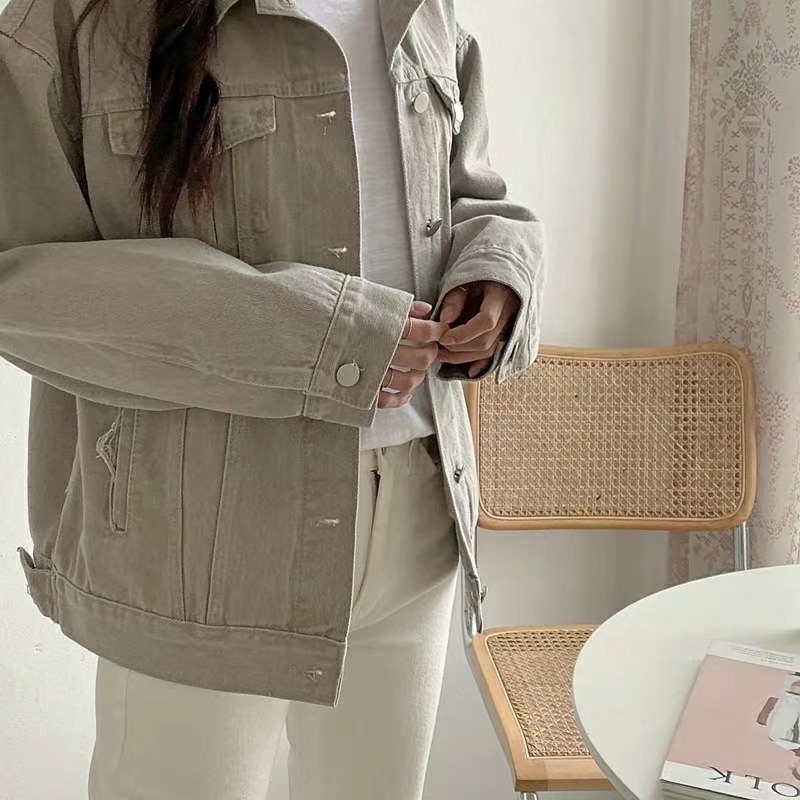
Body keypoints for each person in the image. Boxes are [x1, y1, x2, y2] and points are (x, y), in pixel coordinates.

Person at [0, 0, 546, 796]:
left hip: (415, 520)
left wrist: (497, 267)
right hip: (197, 545)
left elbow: (459, 189)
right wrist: (318, 335)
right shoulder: (82, 19)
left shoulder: (422, 8)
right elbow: (21, 283)